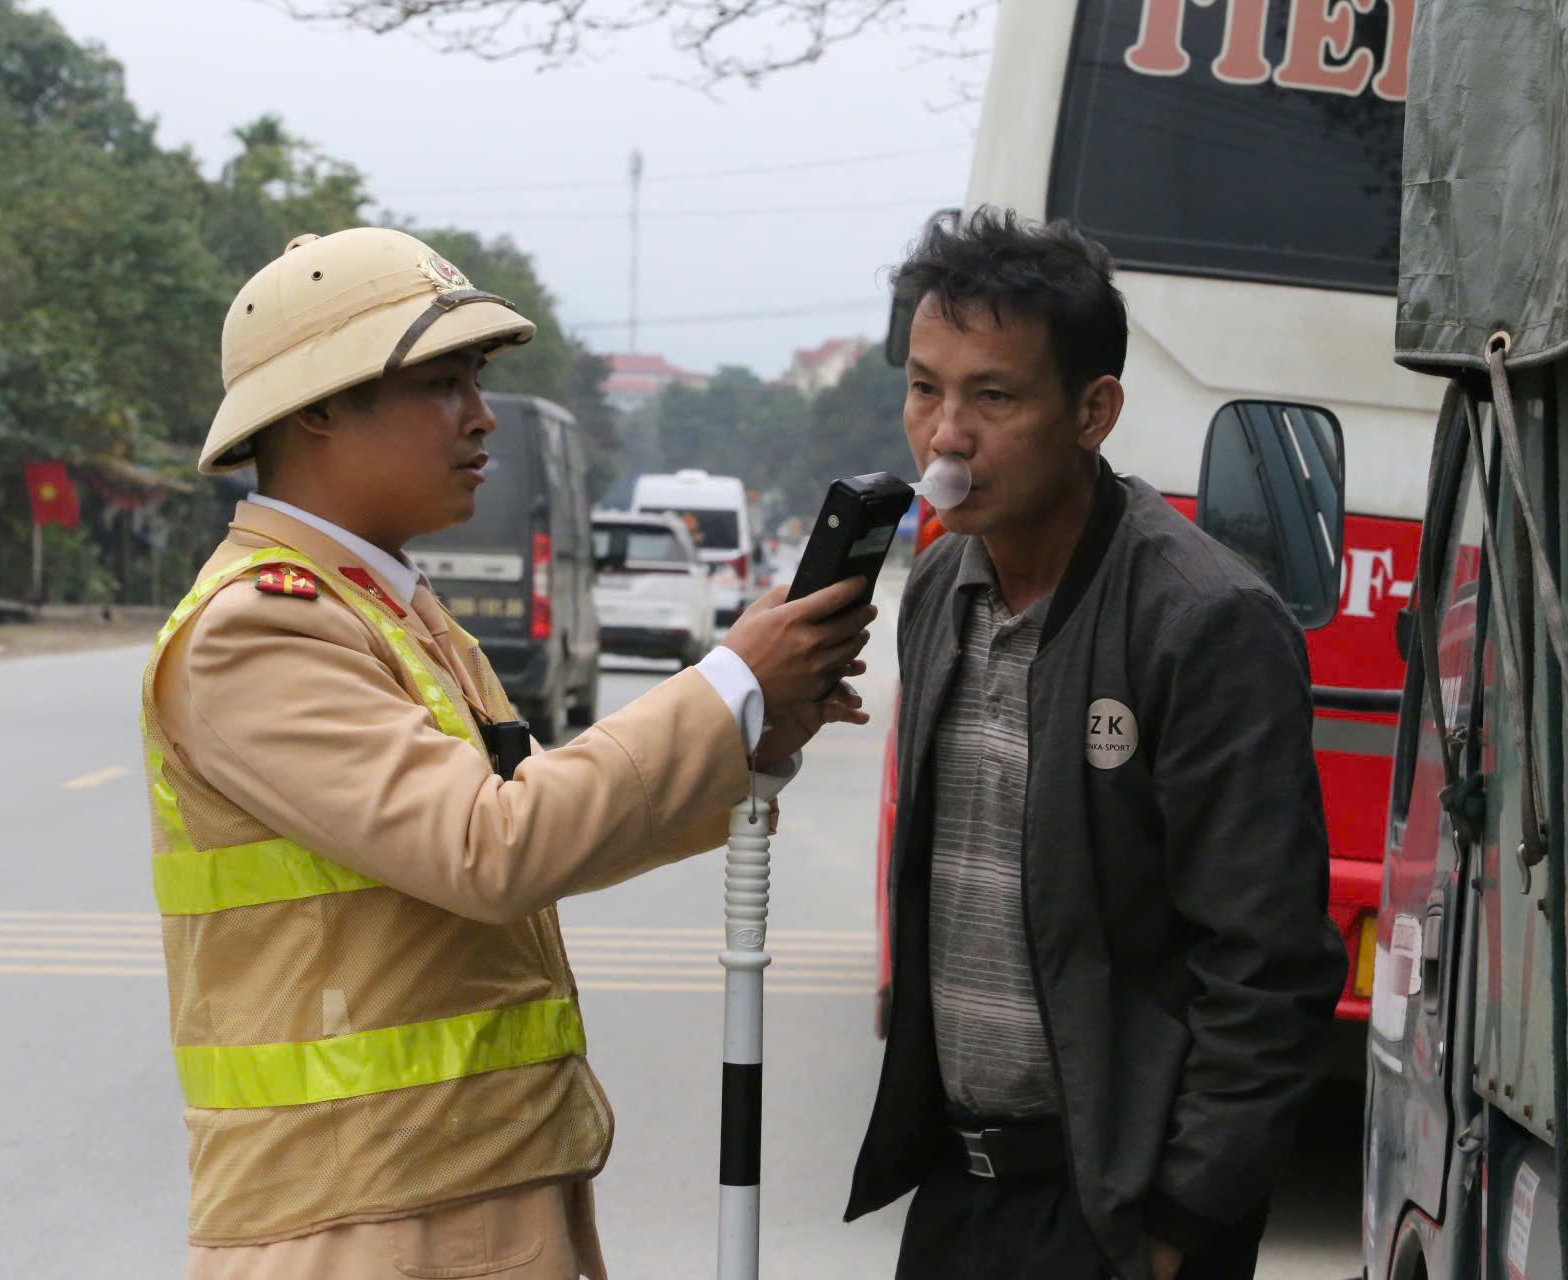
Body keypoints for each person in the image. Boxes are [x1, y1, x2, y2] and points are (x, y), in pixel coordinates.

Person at [140, 227, 873, 1280]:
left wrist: (752, 738)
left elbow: (538, 824)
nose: (482, 417)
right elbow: (491, 847)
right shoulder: (259, 627)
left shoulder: (389, 607)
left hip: (461, 1192)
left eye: (476, 380)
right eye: (443, 383)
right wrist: (725, 682)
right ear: (315, 406)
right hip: (362, 1220)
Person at [845, 209, 1346, 1280]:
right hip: (959, 1195)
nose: (945, 434)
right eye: (925, 387)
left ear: (1093, 411)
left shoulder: (1203, 620)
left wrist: (1184, 1223)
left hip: (1117, 1216)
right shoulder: (938, 584)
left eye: (994, 395)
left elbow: (1270, 966)